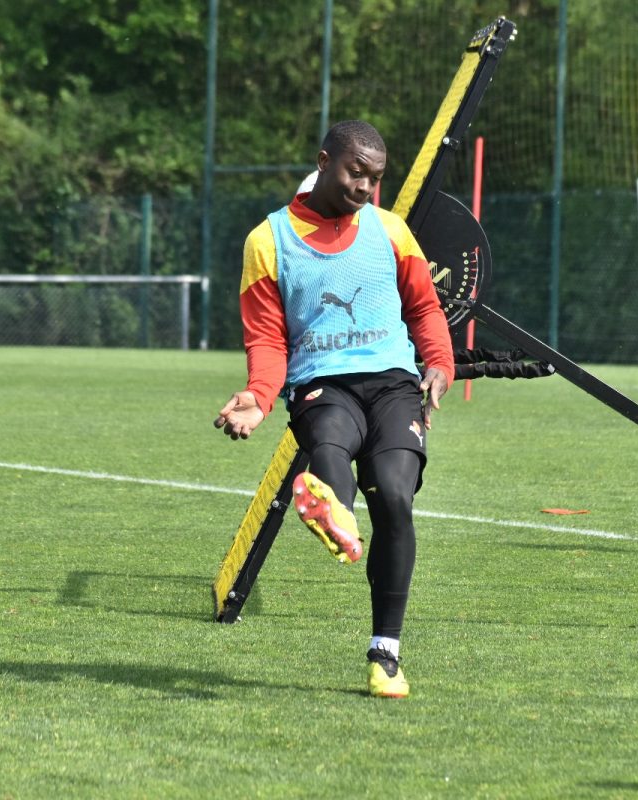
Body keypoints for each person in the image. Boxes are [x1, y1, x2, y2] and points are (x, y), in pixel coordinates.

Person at [214, 119, 455, 698]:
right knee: (329, 442)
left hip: (395, 383)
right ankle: (334, 511)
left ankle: (385, 654)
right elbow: (268, 338)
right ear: (324, 161)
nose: (366, 187)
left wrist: (439, 364)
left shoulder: (392, 231)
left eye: (375, 178)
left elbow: (424, 307)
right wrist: (258, 396)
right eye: (356, 172)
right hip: (322, 384)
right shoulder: (267, 241)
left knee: (395, 497)